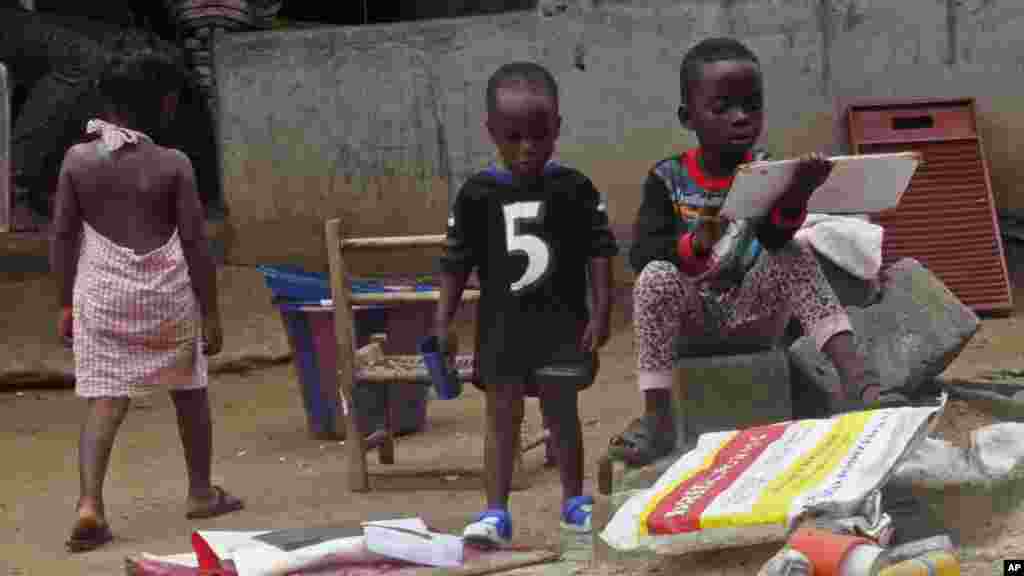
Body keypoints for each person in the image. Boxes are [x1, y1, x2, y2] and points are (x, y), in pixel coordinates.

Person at [608, 37, 901, 468]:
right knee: (653, 276)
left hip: (753, 318)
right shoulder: (667, 178)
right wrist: (698, 243)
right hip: (692, 323)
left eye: (752, 104)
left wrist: (800, 189)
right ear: (688, 117)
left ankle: (858, 380)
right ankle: (658, 419)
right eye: (722, 107)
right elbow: (643, 254)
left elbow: (774, 236)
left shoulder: (765, 169)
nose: (741, 117)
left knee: (793, 251)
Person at [50, 50, 243, 553]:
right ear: (160, 105)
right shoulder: (173, 163)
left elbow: (63, 238)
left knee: (106, 398)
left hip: (104, 296)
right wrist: (212, 312)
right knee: (189, 390)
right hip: (166, 299)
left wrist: (63, 303)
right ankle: (201, 490)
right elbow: (196, 244)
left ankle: (89, 503)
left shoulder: (76, 159)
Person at [434, 62, 618, 547]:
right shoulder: (477, 194)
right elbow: (455, 263)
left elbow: (600, 252)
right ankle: (495, 514)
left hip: (561, 326)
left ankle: (575, 504)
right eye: (513, 136)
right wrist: (442, 321)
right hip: (502, 331)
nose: (527, 148)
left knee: (562, 414)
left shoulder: (576, 189)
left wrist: (601, 313)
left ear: (557, 128)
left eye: (539, 135)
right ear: (491, 131)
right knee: (501, 418)